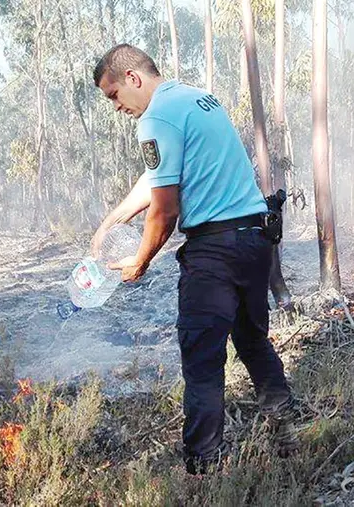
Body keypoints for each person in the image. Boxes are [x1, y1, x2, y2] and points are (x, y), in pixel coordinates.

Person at [90, 43, 298, 475]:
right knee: (253, 340)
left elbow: (165, 211)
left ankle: (204, 469)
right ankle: (287, 430)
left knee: (202, 362)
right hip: (254, 241)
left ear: (132, 78)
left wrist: (140, 261)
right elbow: (161, 178)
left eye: (113, 96)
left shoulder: (154, 118)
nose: (116, 107)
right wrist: (114, 218)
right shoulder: (196, 99)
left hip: (215, 252)